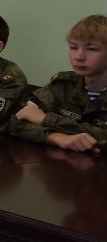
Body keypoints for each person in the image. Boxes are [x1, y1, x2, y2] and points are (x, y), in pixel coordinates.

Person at [11, 14, 107, 152]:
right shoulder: (63, 84)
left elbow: (104, 136)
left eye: (92, 49)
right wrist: (58, 138)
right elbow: (17, 121)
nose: (79, 57)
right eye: (73, 47)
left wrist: (46, 119)